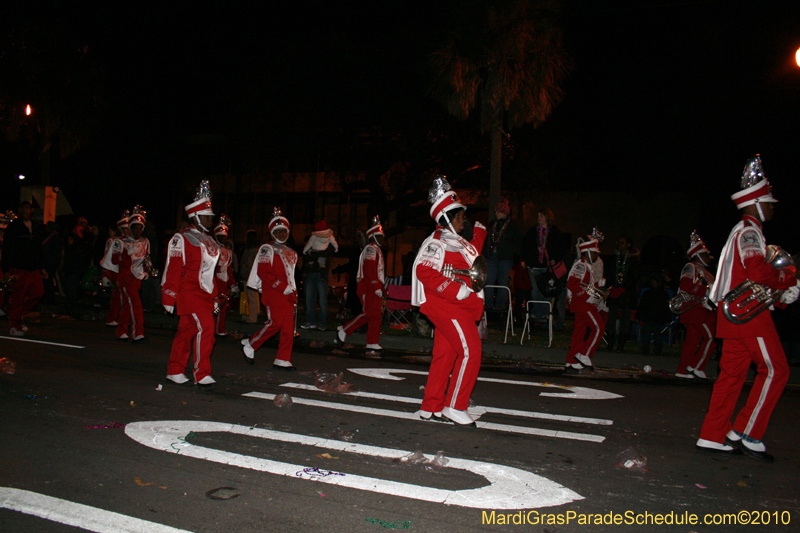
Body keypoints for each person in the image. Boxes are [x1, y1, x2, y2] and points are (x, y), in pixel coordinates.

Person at [697, 155, 800, 462]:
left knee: (731, 377)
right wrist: (787, 279)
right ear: (756, 203)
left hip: (735, 315)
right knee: (776, 370)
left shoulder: (744, 230)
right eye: (769, 202)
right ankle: (747, 432)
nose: (772, 207)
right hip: (749, 317)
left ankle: (712, 435)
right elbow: (757, 271)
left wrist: (781, 296)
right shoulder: (750, 231)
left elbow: (749, 275)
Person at [411, 175, 487, 426]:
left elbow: (473, 255)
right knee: (471, 352)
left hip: (456, 306)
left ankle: (430, 407)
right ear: (446, 218)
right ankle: (455, 406)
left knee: (445, 356)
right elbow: (424, 270)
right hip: (448, 306)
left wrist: (480, 233)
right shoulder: (437, 242)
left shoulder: (456, 242)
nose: (463, 222)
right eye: (460, 217)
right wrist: (456, 290)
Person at [162, 180, 221, 387]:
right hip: (188, 292)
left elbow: (210, 271)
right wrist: (168, 295)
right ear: (195, 217)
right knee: (206, 329)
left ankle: (174, 369)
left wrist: (214, 296)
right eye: (206, 217)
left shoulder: (211, 240)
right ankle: (201, 372)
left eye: (211, 217)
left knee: (186, 331)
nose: (210, 220)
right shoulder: (182, 238)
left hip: (204, 294)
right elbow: (173, 268)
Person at [241, 208, 299, 370]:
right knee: (275, 323)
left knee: (288, 329)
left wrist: (292, 290)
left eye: (284, 231)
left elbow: (290, 274)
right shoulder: (267, 248)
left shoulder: (292, 252)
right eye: (278, 231)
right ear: (272, 233)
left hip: (288, 294)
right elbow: (263, 272)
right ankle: (251, 344)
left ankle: (282, 358)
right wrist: (281, 287)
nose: (282, 234)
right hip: (274, 293)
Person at [337, 216, 385, 353]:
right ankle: (344, 330)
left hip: (374, 288)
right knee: (369, 313)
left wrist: (380, 287)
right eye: (379, 236)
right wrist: (376, 287)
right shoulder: (370, 249)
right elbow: (369, 270)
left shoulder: (375, 249)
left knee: (375, 316)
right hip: (368, 287)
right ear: (372, 237)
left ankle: (372, 342)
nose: (382, 239)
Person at [674, 231, 716, 379]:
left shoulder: (704, 271)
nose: (709, 256)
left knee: (692, 341)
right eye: (705, 253)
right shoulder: (691, 267)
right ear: (697, 254)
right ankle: (697, 366)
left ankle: (683, 370)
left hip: (699, 310)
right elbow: (686, 286)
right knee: (712, 337)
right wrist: (705, 288)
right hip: (695, 309)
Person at [2, 202, 47, 336]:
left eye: (27, 209)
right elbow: (7, 248)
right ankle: (14, 325)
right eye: (22, 209)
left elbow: (39, 249)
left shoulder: (36, 226)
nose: (24, 211)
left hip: (33, 268)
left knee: (38, 293)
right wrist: (6, 269)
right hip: (18, 267)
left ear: (31, 210)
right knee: (17, 296)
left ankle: (19, 314)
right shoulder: (14, 227)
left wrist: (42, 267)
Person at [564, 231, 607, 372]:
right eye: (595, 253)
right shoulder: (582, 265)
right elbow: (572, 284)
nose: (596, 256)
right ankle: (584, 354)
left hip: (582, 303)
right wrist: (587, 297)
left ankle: (571, 362)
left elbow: (584, 286)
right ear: (587, 252)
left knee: (579, 332)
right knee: (599, 327)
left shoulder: (586, 266)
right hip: (583, 304)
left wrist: (598, 286)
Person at [521, 208, 567, 323]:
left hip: (547, 267)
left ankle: (545, 313)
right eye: (538, 216)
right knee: (536, 290)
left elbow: (561, 248)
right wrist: (527, 260)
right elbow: (525, 246)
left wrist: (554, 259)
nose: (538, 218)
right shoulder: (533, 231)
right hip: (534, 265)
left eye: (541, 216)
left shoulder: (555, 231)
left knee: (547, 290)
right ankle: (536, 313)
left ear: (547, 217)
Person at [115, 206, 150, 342]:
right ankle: (137, 333)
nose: (138, 231)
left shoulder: (145, 241)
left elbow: (146, 258)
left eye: (140, 228)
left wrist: (147, 270)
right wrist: (126, 254)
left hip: (137, 277)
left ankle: (121, 331)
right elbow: (114, 260)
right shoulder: (121, 242)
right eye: (135, 228)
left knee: (128, 305)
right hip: (125, 277)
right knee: (135, 304)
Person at [482, 199, 521, 311]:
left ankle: (500, 304)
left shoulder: (513, 225)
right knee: (489, 280)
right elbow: (486, 239)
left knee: (503, 280)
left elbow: (518, 241)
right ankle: (488, 304)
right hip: (491, 256)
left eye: (498, 212)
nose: (496, 214)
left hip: (505, 258)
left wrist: (516, 255)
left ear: (504, 212)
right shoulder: (492, 225)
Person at [604, 234, 639, 352]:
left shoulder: (633, 259)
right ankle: (610, 343)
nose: (619, 245)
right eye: (618, 242)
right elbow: (609, 273)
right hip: (615, 291)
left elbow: (635, 276)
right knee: (611, 318)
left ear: (629, 245)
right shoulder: (615, 258)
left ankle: (621, 345)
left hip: (627, 293)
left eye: (622, 243)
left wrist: (624, 288)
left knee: (625, 319)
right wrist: (611, 286)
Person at [301, 220, 335, 331]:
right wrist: (317, 255)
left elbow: (327, 254)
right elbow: (305, 256)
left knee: (322, 300)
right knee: (309, 299)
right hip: (313, 272)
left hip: (320, 273)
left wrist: (312, 253)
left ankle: (322, 322)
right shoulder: (315, 239)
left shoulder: (328, 240)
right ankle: (311, 321)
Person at [100, 211, 130, 327]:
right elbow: (107, 258)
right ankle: (112, 318)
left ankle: (120, 318)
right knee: (118, 296)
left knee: (123, 296)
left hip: (126, 272)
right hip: (116, 271)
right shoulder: (113, 241)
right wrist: (106, 274)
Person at [635, 275, 672, 356]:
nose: (653, 283)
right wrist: (638, 317)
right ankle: (645, 350)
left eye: (655, 281)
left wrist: (667, 320)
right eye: (652, 281)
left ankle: (658, 350)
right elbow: (642, 306)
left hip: (659, 318)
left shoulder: (664, 294)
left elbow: (667, 309)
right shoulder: (647, 293)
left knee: (657, 333)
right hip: (648, 317)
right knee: (646, 333)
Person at [213, 215, 235, 336]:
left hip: (223, 283)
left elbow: (229, 271)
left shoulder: (228, 252)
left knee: (223, 307)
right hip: (213, 282)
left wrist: (233, 284)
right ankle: (211, 328)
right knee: (213, 306)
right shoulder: (211, 249)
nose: (222, 239)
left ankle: (220, 328)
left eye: (224, 237)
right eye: (220, 237)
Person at [239, 229, 262, 323]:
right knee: (247, 296)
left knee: (252, 297)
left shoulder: (255, 250)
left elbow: (251, 264)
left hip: (251, 276)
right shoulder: (248, 248)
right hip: (246, 275)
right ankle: (248, 314)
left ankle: (253, 317)